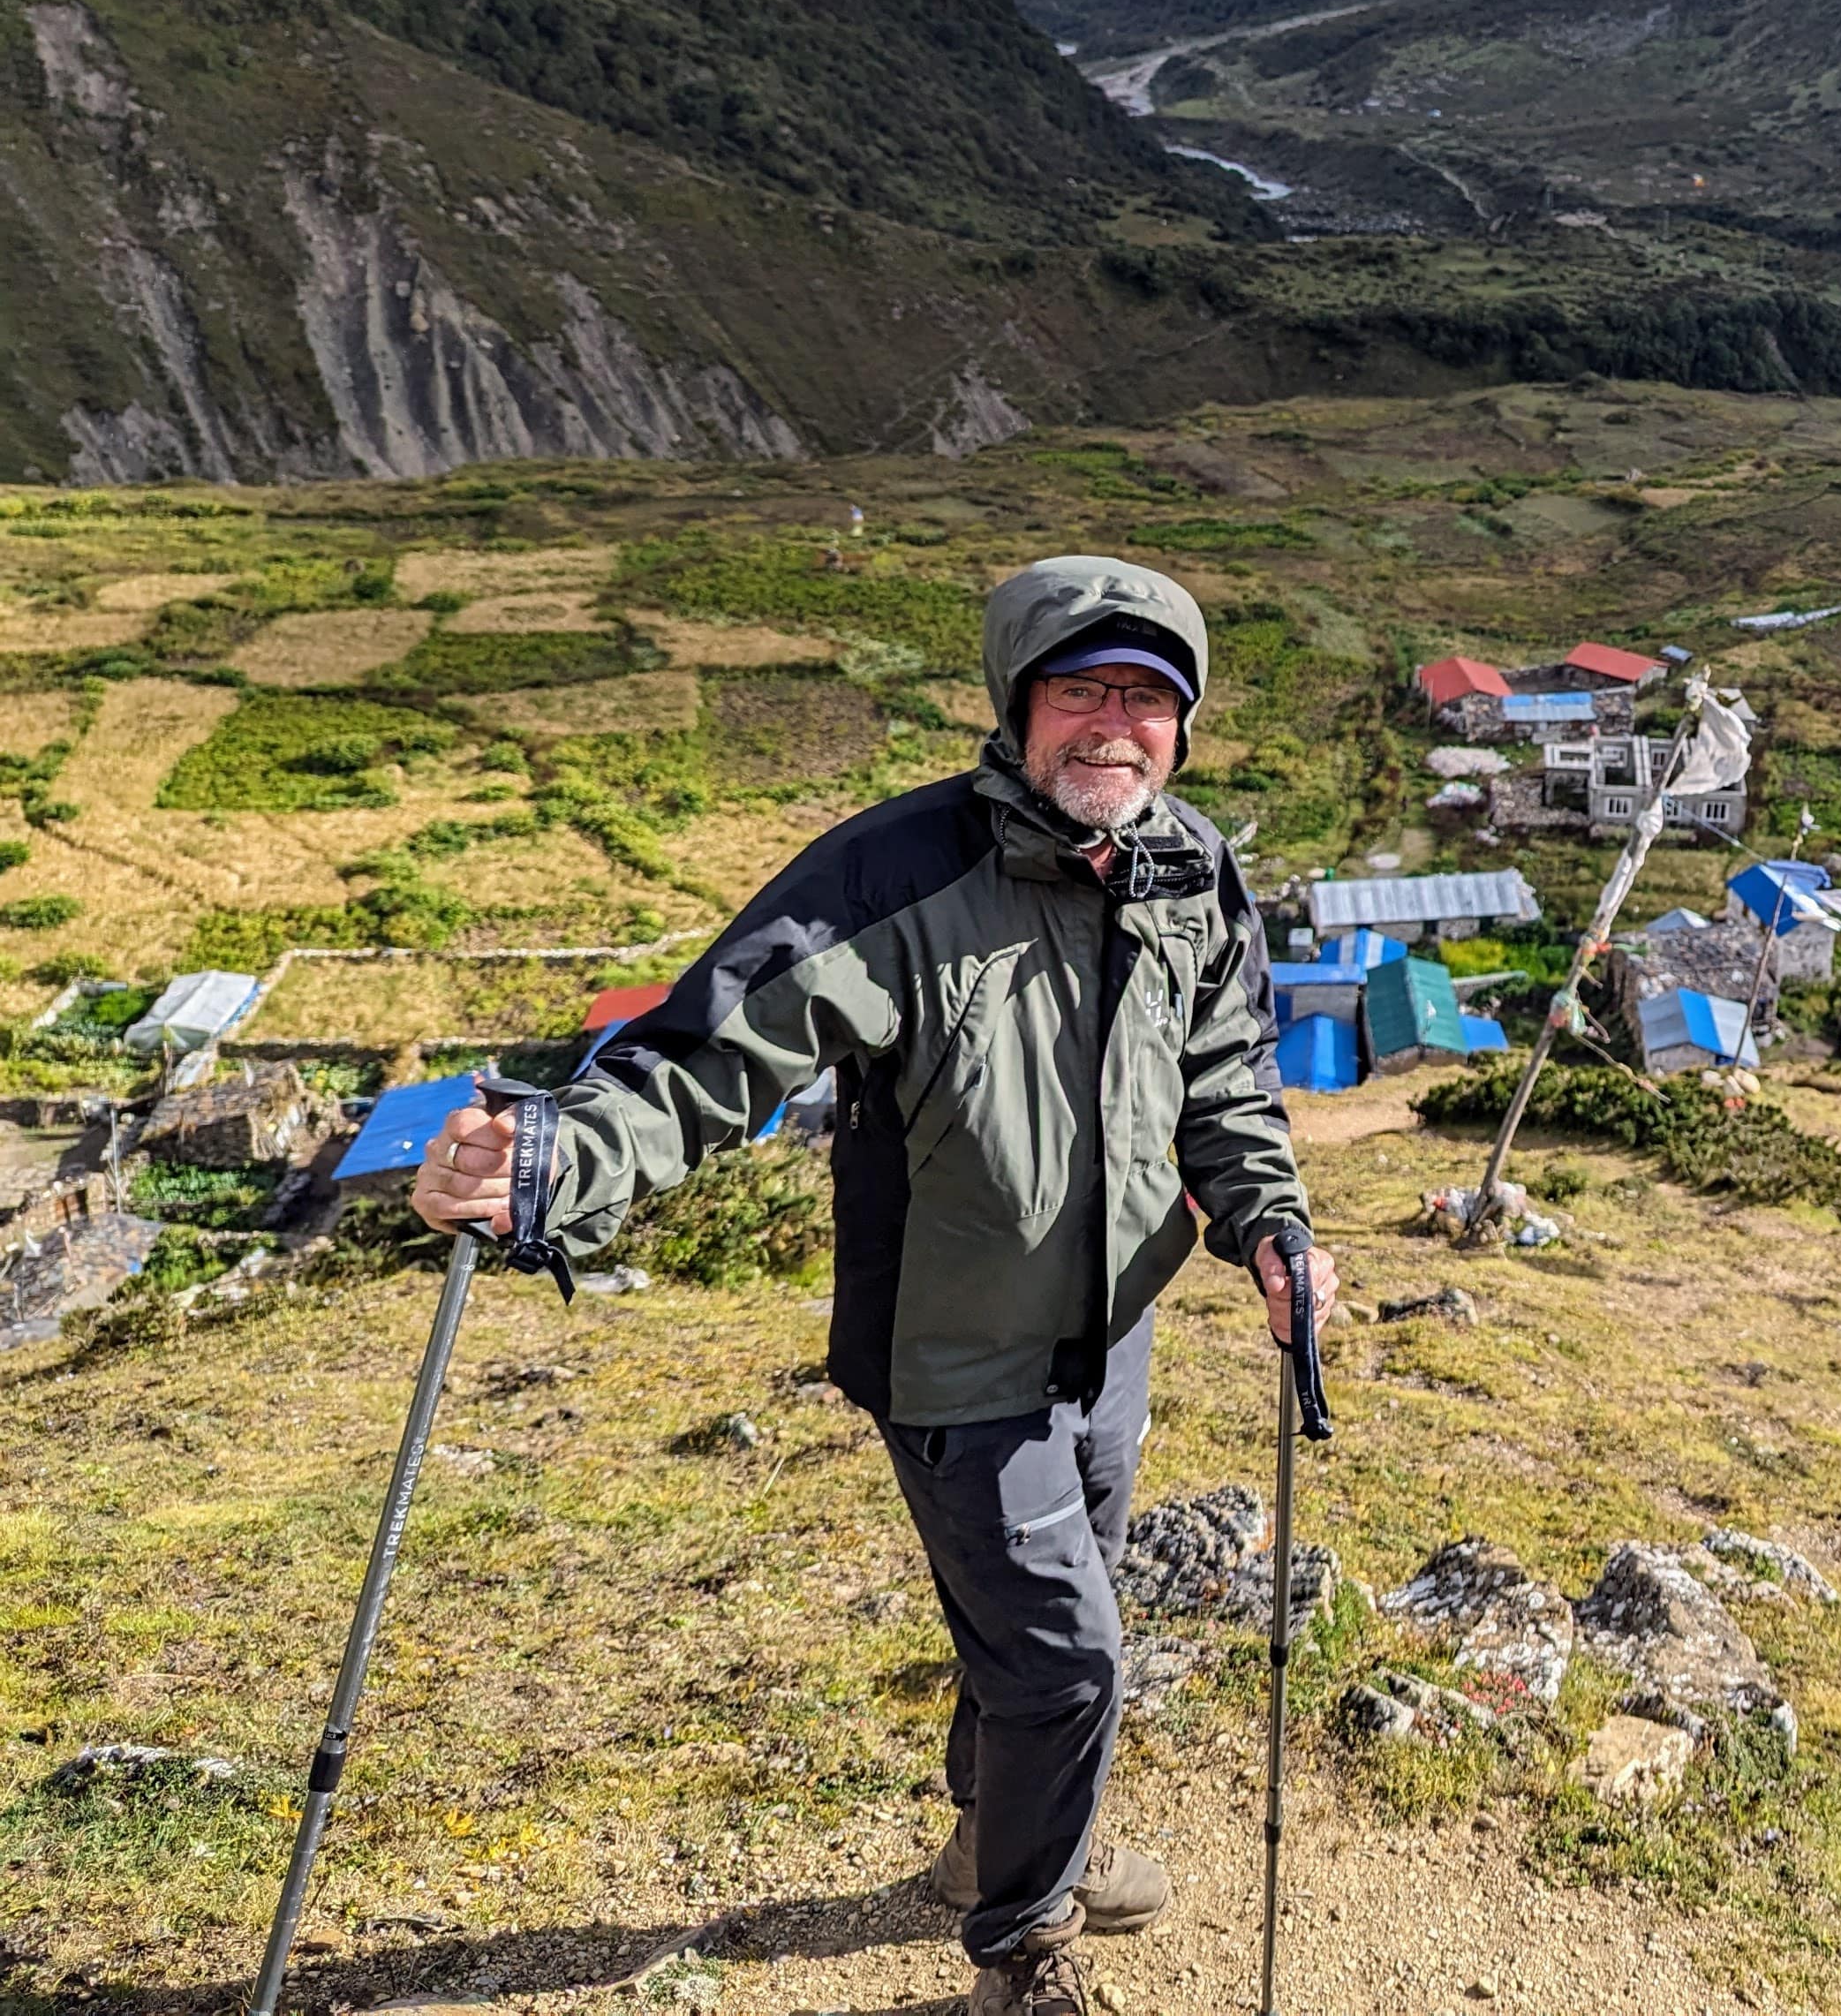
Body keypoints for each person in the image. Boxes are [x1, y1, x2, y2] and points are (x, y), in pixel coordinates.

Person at [412, 555, 1339, 2016]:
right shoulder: (899, 876)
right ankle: (1024, 1948)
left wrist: (1269, 1226)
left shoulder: (1189, 865)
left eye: (1147, 697)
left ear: (1186, 723)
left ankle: (1002, 1845)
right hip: (951, 1359)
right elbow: (708, 1062)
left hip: (1110, 1337)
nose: (1114, 724)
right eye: (1080, 688)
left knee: (1054, 1623)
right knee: (1068, 1666)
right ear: (1017, 704)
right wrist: (544, 1163)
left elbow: (1227, 1075)